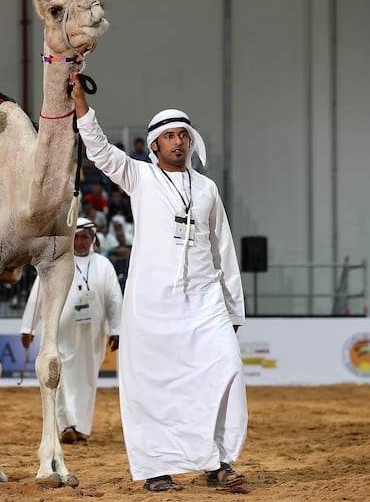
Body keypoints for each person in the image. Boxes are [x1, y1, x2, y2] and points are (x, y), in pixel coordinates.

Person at [71, 74, 248, 492]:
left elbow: (224, 248)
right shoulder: (138, 177)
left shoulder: (207, 188)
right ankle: (156, 469)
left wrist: (233, 307)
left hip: (205, 301)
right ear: (154, 145)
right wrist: (81, 104)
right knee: (152, 387)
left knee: (227, 369)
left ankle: (219, 462)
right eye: (169, 136)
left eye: (183, 135)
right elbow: (97, 150)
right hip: (151, 303)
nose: (178, 142)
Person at [20, 217, 122, 445]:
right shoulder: (57, 262)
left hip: (91, 335)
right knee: (59, 376)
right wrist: (28, 327)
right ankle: (66, 425)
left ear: (93, 239)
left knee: (87, 380)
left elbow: (115, 299)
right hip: (58, 332)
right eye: (75, 236)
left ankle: (82, 428)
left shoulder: (104, 266)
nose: (79, 241)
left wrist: (116, 329)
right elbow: (38, 295)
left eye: (84, 236)